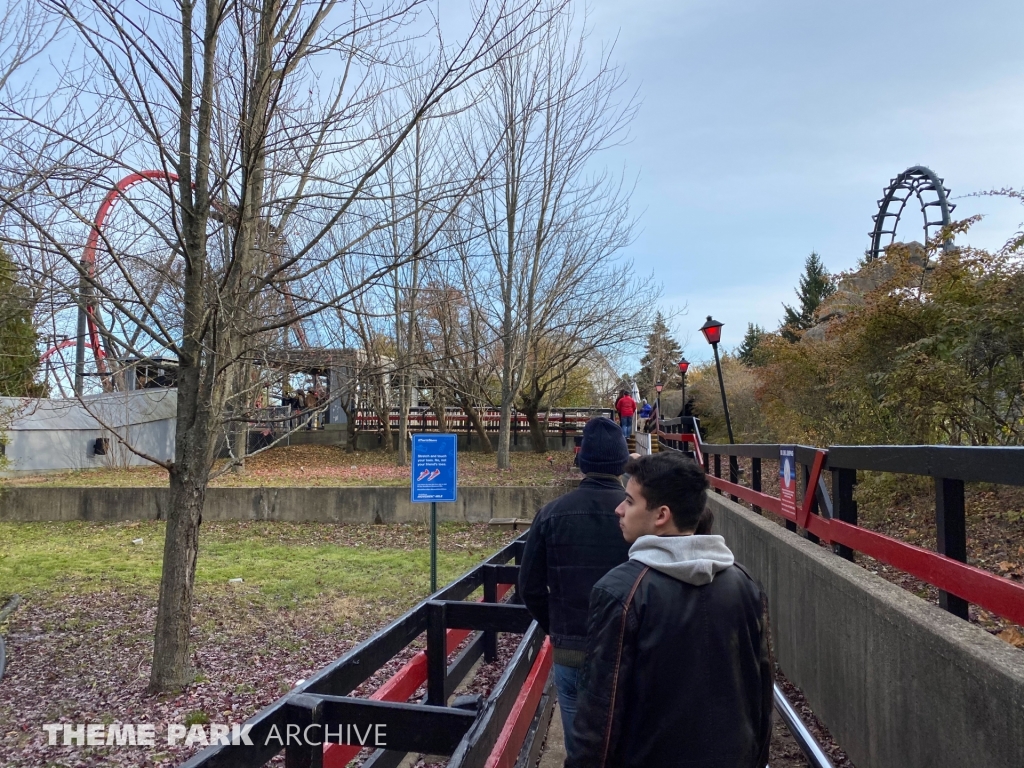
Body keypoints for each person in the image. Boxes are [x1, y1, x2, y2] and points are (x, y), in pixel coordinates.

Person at [568, 451, 773, 768]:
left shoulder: (621, 591)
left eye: (630, 501)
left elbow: (601, 712)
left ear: (661, 515)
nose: (619, 509)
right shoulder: (744, 583)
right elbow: (759, 690)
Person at [518, 417, 632, 762]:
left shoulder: (551, 514)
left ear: (581, 461)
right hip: (628, 648)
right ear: (622, 462)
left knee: (579, 748)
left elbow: (529, 586)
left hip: (572, 650)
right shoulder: (638, 515)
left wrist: (557, 628)